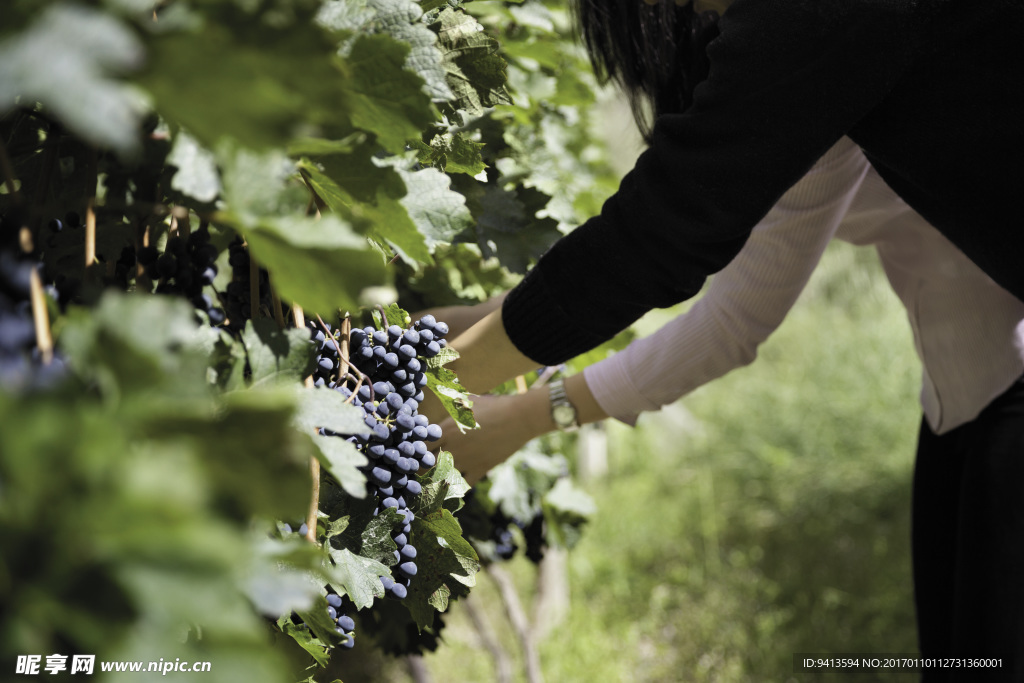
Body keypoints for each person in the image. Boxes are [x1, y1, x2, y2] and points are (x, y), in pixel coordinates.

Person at [427, 0, 1024, 677]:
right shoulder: (793, 45)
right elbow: (665, 251)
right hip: (965, 389)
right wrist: (467, 329)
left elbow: (713, 291)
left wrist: (497, 401)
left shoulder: (819, 29)